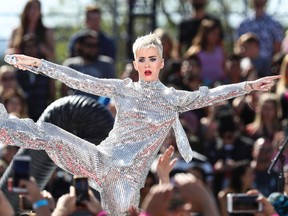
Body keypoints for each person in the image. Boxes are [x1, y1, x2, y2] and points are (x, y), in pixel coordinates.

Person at [2, 33, 280, 215]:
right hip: (101, 160)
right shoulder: (123, 89)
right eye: (142, 59)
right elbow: (78, 79)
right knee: (50, 132)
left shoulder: (173, 98)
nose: (147, 64)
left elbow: (210, 95)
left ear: (161, 63)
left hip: (127, 178)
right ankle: (4, 126)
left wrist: (249, 85)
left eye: (153, 59)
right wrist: (38, 64)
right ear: (136, 64)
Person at [236, 0, 284, 64]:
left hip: (268, 67)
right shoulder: (243, 24)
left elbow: (278, 48)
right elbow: (237, 48)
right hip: (247, 65)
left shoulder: (274, 24)